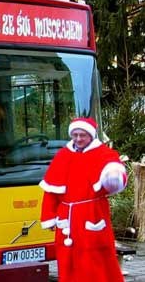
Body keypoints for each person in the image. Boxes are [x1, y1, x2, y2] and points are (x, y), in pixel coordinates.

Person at [39, 117, 127, 282]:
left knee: (95, 261)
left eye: (82, 135)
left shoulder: (103, 153)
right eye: (75, 135)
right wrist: (49, 218)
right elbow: (50, 191)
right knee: (67, 261)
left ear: (91, 136)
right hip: (66, 220)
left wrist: (113, 176)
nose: (78, 139)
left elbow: (114, 172)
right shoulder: (63, 155)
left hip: (92, 215)